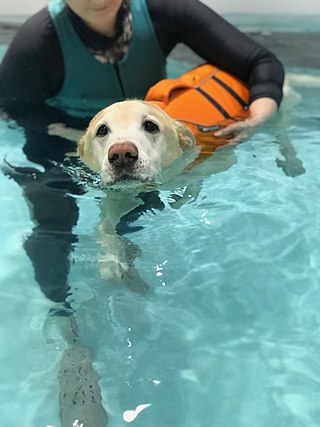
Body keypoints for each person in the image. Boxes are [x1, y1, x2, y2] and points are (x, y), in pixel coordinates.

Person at [0, 0, 285, 303]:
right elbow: (10, 108)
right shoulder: (37, 41)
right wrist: (68, 134)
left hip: (154, 129)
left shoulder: (167, 10)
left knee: (148, 199)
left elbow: (262, 63)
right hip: (60, 133)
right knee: (53, 220)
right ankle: (61, 314)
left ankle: (136, 268)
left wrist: (254, 121)